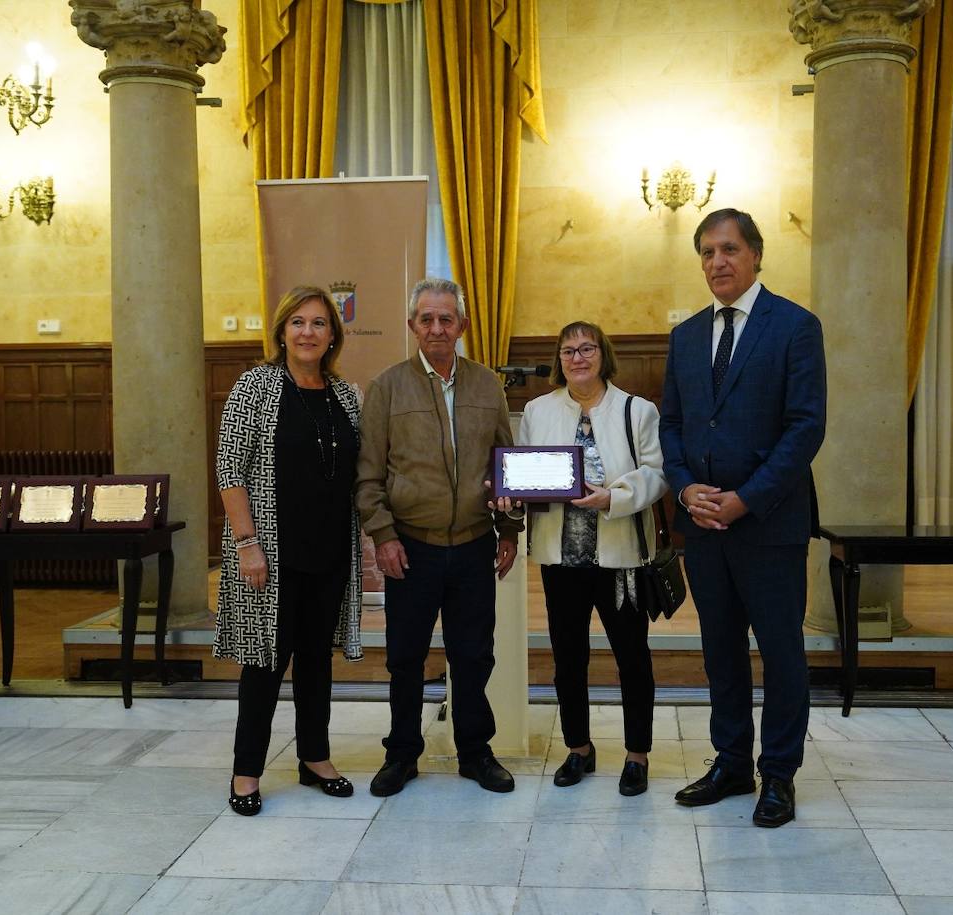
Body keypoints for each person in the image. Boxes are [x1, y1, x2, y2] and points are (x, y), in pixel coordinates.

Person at [660, 209, 826, 827]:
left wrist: (746, 498)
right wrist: (684, 490)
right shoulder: (686, 336)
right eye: (706, 252)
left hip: (769, 523)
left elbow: (805, 427)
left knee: (781, 653)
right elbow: (672, 425)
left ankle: (778, 774)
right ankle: (731, 761)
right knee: (719, 650)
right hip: (703, 527)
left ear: (755, 254)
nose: (716, 262)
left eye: (728, 249)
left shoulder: (795, 327)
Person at [356, 277, 524, 797]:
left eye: (446, 319)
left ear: (463, 326)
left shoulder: (486, 386)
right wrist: (382, 535)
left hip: (474, 544)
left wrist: (509, 528)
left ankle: (475, 752)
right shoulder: (387, 387)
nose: (436, 328)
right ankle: (402, 753)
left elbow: (505, 464)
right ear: (412, 326)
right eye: (426, 319)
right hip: (410, 545)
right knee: (405, 657)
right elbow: (368, 476)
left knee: (473, 655)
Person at [214, 284, 364, 816]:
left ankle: (315, 758)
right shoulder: (255, 386)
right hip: (269, 557)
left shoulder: (347, 396)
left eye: (319, 323)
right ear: (282, 331)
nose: (308, 332)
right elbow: (229, 469)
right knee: (263, 664)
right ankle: (247, 771)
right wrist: (247, 543)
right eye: (298, 322)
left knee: (316, 664)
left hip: (329, 553)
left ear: (333, 336)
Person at [501, 321, 667, 796]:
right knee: (567, 658)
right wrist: (513, 494)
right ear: (559, 358)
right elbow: (526, 471)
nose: (577, 357)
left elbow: (658, 474)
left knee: (631, 657)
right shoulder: (537, 409)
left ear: (603, 354)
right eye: (568, 350)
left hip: (620, 556)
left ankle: (637, 754)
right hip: (562, 557)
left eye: (586, 348)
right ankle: (578, 748)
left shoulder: (637, 411)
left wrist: (612, 498)